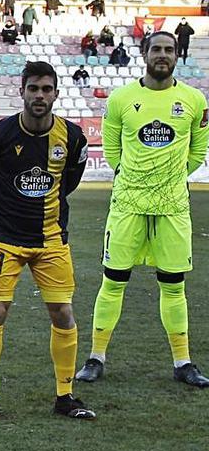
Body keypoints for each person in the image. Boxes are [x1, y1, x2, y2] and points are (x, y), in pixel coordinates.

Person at [75, 31, 209, 388]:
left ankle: (183, 362)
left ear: (177, 55)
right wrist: (133, 179)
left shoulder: (194, 100)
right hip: (128, 205)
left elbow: (198, 150)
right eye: (156, 49)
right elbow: (113, 150)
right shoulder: (121, 98)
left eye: (169, 49)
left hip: (173, 207)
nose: (162, 55)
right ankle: (95, 357)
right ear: (144, 54)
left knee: (174, 285)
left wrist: (169, 180)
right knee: (114, 281)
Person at [0, 61, 95, 420]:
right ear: (22, 91)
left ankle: (65, 396)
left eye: (46, 89)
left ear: (55, 93)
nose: (39, 96)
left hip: (52, 240)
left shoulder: (72, 138)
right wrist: (8, 208)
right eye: (33, 89)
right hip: (5, 240)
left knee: (63, 313)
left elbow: (68, 183)